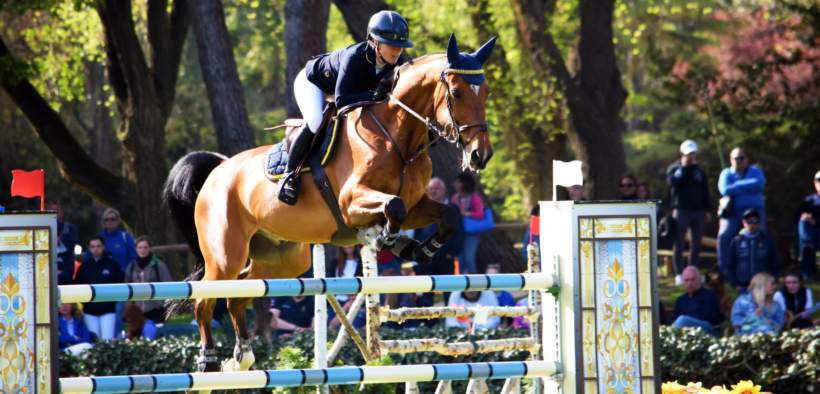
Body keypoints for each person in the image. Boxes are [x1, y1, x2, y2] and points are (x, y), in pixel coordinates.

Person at [277, 11, 413, 205]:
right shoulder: (355, 57)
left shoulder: (396, 62)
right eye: (392, 45)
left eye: (400, 46)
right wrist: (373, 96)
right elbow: (341, 101)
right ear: (375, 41)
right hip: (312, 83)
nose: (398, 51)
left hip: (344, 88)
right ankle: (289, 176)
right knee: (315, 120)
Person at [83, 209, 137, 336]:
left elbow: (133, 257)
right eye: (107, 219)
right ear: (103, 222)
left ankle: (115, 340)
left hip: (119, 282)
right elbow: (87, 261)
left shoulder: (125, 237)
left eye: (113, 219)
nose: (110, 221)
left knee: (118, 312)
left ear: (118, 221)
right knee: (97, 313)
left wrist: (125, 272)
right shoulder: (99, 239)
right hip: (99, 282)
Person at [666, 140, 712, 285]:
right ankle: (679, 274)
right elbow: (673, 182)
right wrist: (684, 169)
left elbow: (705, 191)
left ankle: (693, 271)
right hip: (681, 210)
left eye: (692, 154)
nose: (690, 157)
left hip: (697, 211)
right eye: (687, 154)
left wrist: (707, 209)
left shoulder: (699, 171)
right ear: (681, 153)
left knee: (696, 243)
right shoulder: (675, 169)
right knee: (678, 242)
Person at [414, 177, 464, 308]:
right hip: (427, 257)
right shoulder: (423, 208)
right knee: (427, 290)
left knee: (448, 289)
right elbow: (417, 232)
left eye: (436, 188)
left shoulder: (453, 209)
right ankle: (429, 321)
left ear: (444, 190)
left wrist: (452, 253)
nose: (434, 191)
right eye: (431, 189)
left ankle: (450, 320)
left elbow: (459, 232)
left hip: (446, 257)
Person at [717, 148, 766, 275]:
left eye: (742, 158)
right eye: (736, 158)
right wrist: (748, 188)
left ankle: (761, 270)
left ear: (746, 159)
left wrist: (736, 186)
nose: (739, 161)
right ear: (730, 160)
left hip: (754, 211)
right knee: (724, 235)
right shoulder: (726, 173)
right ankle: (725, 272)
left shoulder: (755, 170)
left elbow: (759, 184)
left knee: (762, 235)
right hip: (732, 213)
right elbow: (725, 190)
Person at [74, 235, 125, 341]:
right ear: (89, 248)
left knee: (107, 341)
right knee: (94, 340)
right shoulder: (84, 267)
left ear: (104, 247)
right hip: (89, 311)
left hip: (108, 310)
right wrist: (85, 303)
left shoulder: (113, 265)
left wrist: (111, 301)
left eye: (98, 246)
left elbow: (121, 285)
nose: (95, 249)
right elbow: (77, 287)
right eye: (92, 247)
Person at [723, 209, 780, 294]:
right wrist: (735, 285)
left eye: (755, 221)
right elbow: (729, 265)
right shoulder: (736, 241)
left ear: (760, 223)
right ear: (743, 223)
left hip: (763, 286)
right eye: (749, 221)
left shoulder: (768, 241)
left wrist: (773, 281)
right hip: (743, 287)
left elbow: (776, 265)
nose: (752, 224)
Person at [124, 236, 174, 324]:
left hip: (156, 309)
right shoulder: (131, 267)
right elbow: (128, 288)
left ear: (150, 248)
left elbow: (168, 284)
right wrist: (130, 306)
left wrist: (160, 304)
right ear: (136, 249)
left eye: (145, 247)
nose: (142, 250)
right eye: (140, 247)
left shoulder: (158, 265)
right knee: (138, 336)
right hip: (137, 310)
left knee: (157, 334)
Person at [669, 267, 724, 336]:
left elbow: (709, 315)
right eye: (686, 280)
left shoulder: (709, 295)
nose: (689, 283)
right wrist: (673, 323)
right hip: (684, 330)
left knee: (683, 320)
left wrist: (686, 320)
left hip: (705, 328)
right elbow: (673, 318)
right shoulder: (680, 299)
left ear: (700, 280)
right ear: (683, 281)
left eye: (692, 280)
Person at [451, 173, 485, 274]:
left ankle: (474, 286)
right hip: (458, 234)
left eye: (458, 182)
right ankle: (463, 286)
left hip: (471, 234)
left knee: (469, 260)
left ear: (465, 183)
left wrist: (465, 213)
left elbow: (480, 214)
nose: (456, 184)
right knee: (460, 261)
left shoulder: (475, 198)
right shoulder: (454, 198)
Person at [327, 245, 363, 330]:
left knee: (350, 329)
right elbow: (330, 283)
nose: (348, 246)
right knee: (331, 328)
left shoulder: (361, 262)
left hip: (355, 301)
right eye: (345, 244)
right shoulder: (335, 263)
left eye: (350, 243)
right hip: (336, 301)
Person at [795, 170, 820, 279]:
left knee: (806, 241)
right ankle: (806, 273)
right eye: (819, 180)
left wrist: (815, 221)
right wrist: (804, 217)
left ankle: (808, 244)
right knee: (803, 223)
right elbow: (796, 216)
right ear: (815, 183)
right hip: (810, 233)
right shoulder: (809, 201)